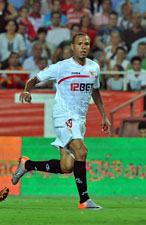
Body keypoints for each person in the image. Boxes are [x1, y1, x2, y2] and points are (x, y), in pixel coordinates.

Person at [12, 32, 111, 210]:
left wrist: (103, 115)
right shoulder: (61, 67)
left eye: (87, 44)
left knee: (67, 166)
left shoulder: (94, 68)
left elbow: (95, 91)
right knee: (82, 150)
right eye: (80, 43)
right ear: (72, 47)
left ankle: (27, 164)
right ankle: (84, 200)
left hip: (79, 120)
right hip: (63, 115)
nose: (84, 47)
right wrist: (27, 90)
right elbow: (34, 79)